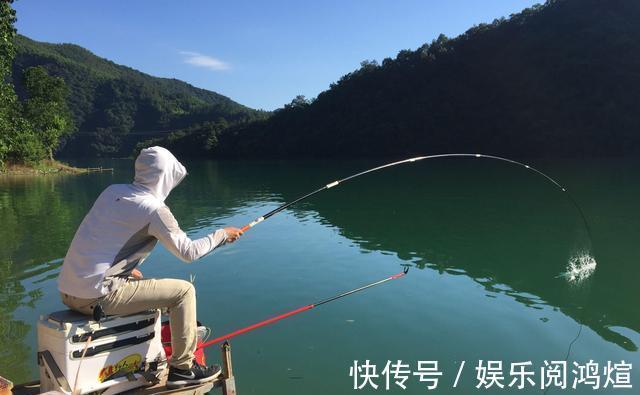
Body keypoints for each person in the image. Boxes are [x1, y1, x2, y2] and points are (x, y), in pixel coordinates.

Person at [57, 146, 243, 388]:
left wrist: (123, 268)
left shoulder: (112, 191)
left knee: (143, 282)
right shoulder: (154, 209)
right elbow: (188, 252)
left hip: (68, 291)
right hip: (97, 295)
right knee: (183, 291)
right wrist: (221, 235)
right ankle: (183, 368)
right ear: (166, 177)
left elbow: (101, 239)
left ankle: (150, 351)